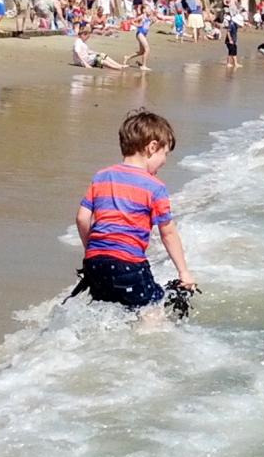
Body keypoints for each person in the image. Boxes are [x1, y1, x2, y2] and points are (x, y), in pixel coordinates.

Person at [74, 108, 196, 309]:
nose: (164, 161)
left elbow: (82, 218)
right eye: (165, 154)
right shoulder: (155, 186)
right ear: (152, 147)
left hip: (95, 263)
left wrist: (93, 251)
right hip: (128, 264)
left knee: (109, 310)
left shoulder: (102, 176)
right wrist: (184, 272)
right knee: (152, 309)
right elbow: (168, 233)